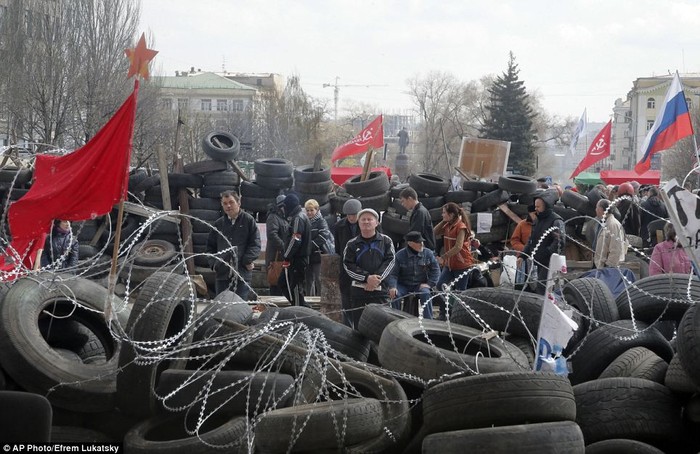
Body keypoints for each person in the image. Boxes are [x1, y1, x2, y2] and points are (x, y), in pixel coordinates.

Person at [343, 208, 395, 329]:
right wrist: (366, 278)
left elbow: (391, 261)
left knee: (383, 327)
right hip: (359, 292)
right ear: (358, 222)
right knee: (360, 329)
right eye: (363, 219)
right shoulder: (352, 244)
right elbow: (347, 265)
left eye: (370, 219)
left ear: (376, 223)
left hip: (381, 292)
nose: (366, 222)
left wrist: (376, 279)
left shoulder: (386, 241)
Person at [207, 191, 261, 299]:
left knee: (239, 306)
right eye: (225, 203)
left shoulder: (248, 221)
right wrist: (214, 264)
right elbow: (210, 246)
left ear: (238, 203)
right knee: (222, 306)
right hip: (222, 274)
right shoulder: (219, 224)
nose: (228, 206)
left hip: (242, 273)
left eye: (231, 202)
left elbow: (255, 244)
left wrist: (247, 260)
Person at [433, 202, 476, 320]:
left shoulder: (461, 227)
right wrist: (444, 220)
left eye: (444, 213)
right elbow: (434, 231)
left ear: (451, 214)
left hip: (462, 264)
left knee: (459, 292)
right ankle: (444, 312)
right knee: (440, 286)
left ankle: (458, 316)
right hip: (450, 265)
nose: (442, 215)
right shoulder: (447, 225)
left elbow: (458, 247)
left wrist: (444, 257)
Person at [519, 193, 565, 295]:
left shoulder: (556, 221)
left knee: (542, 288)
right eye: (535, 206)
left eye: (538, 206)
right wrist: (523, 255)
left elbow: (560, 242)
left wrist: (547, 252)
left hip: (549, 262)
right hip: (538, 260)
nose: (536, 209)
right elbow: (531, 240)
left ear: (546, 206)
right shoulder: (538, 220)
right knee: (536, 286)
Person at [387, 231, 440, 319]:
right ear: (410, 243)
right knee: (395, 295)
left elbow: (436, 270)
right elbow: (393, 274)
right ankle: (395, 319)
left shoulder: (428, 253)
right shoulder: (399, 255)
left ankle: (429, 320)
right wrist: (392, 287)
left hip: (419, 285)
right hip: (403, 285)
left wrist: (429, 284)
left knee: (426, 294)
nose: (422, 244)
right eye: (419, 242)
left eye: (422, 242)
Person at [278, 193, 311, 307]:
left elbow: (296, 239)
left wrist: (287, 256)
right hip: (295, 258)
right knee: (283, 283)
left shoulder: (298, 218)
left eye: (285, 206)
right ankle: (302, 307)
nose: (283, 209)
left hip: (297, 259)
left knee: (295, 287)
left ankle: (299, 311)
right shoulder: (298, 216)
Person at [333, 198, 362, 327]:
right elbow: (338, 247)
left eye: (354, 215)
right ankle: (348, 326)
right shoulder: (339, 226)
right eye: (349, 215)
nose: (351, 217)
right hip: (345, 265)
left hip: (362, 265)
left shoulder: (366, 224)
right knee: (346, 296)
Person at [304, 198, 334, 296]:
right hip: (307, 256)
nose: (309, 212)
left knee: (319, 279)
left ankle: (321, 300)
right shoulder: (304, 222)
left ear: (317, 210)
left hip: (319, 255)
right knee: (308, 280)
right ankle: (309, 300)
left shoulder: (322, 221)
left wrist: (309, 246)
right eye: (307, 210)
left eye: (312, 210)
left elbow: (323, 237)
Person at [399, 187, 436, 251]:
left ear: (410, 199)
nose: (402, 204)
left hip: (424, 250)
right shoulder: (419, 210)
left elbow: (415, 234)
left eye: (403, 201)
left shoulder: (420, 212)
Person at [593, 199, 626, 269]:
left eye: (596, 207)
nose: (595, 210)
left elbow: (616, 248)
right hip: (600, 265)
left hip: (607, 268)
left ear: (601, 209)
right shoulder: (603, 223)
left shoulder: (613, 225)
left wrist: (609, 266)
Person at [266, 195, 289, 296]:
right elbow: (272, 235)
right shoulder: (273, 217)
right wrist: (284, 247)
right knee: (276, 285)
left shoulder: (283, 218)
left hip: (282, 256)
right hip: (276, 257)